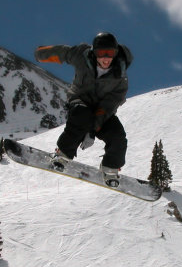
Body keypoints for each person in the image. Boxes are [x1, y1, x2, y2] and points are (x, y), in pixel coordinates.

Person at [35, 32, 133, 186]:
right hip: (80, 100)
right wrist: (41, 54)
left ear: (116, 53)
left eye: (110, 53)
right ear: (94, 52)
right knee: (82, 116)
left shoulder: (120, 78)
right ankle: (63, 154)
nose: (106, 58)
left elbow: (108, 106)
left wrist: (92, 131)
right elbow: (63, 53)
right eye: (101, 53)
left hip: (101, 111)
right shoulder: (82, 56)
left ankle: (110, 168)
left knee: (118, 136)